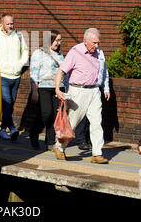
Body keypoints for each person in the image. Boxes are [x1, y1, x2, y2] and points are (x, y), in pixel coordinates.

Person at [54, 28, 110, 164]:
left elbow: (104, 71)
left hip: (94, 91)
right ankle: (59, 146)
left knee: (97, 122)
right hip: (78, 91)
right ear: (85, 41)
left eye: (98, 43)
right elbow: (61, 71)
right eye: (94, 43)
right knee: (72, 122)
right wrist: (57, 89)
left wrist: (105, 87)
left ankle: (97, 153)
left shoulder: (98, 53)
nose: (97, 46)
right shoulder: (75, 52)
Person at [29, 30, 64, 150]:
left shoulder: (60, 54)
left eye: (60, 40)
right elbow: (33, 73)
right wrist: (34, 90)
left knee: (55, 115)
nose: (59, 43)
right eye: (57, 40)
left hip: (58, 88)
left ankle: (50, 141)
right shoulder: (39, 53)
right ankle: (34, 133)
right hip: (44, 87)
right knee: (46, 113)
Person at [0, 13, 29, 141]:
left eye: (12, 23)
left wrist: (21, 64)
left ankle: (3, 130)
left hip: (16, 76)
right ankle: (12, 127)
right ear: (2, 23)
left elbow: (25, 51)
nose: (11, 26)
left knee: (11, 104)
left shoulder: (19, 35)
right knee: (7, 102)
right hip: (2, 75)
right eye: (8, 24)